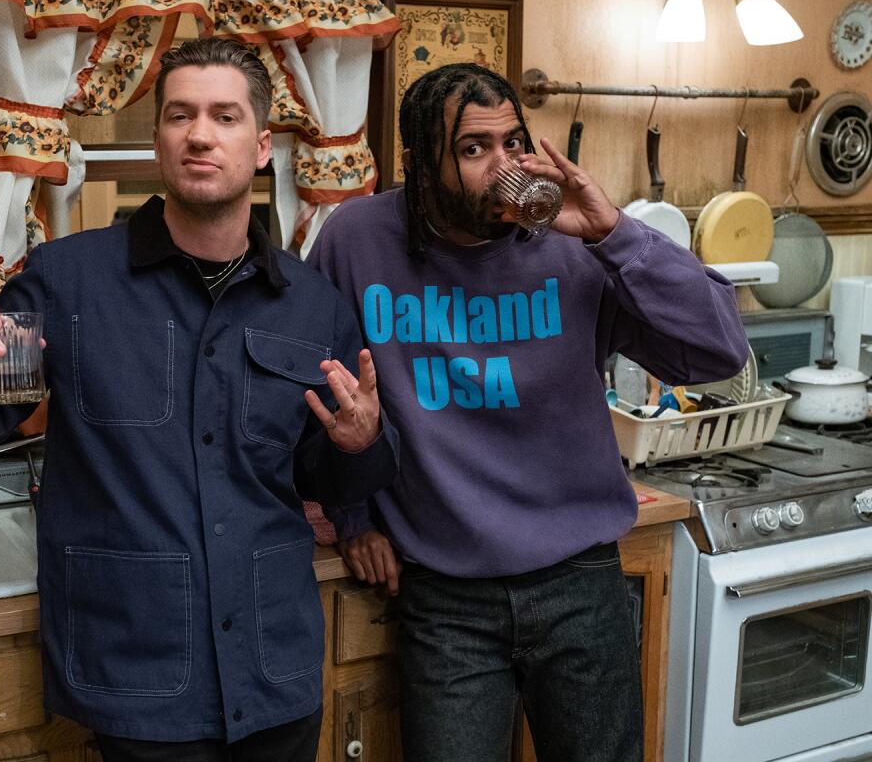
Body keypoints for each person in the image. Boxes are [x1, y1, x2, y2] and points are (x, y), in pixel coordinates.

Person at [0, 38, 399, 762]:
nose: (200, 133)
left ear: (263, 146)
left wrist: (360, 443)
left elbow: (324, 476)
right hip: (137, 681)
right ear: (159, 140)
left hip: (276, 674)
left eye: (225, 116)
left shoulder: (313, 307)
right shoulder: (63, 282)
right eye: (180, 115)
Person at [307, 63, 749, 762]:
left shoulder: (577, 247)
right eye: (475, 149)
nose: (504, 166)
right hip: (445, 597)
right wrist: (355, 516)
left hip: (581, 581)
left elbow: (720, 350)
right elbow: (326, 388)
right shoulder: (355, 240)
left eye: (515, 144)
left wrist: (613, 233)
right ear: (423, 165)